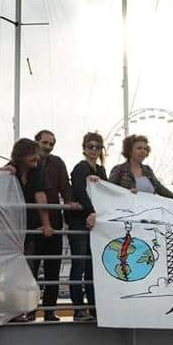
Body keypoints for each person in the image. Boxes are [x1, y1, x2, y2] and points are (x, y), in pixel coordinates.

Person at [0, 138, 52, 323]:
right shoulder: (9, 168)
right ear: (21, 155)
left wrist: (46, 224)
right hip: (9, 231)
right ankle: (11, 311)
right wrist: (2, 173)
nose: (36, 157)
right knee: (9, 272)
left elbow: (40, 195)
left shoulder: (37, 171)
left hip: (28, 230)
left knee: (28, 270)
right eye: (32, 153)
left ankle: (26, 310)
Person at [32, 130, 75, 322]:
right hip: (32, 220)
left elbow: (65, 186)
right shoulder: (27, 161)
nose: (48, 147)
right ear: (37, 142)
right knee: (31, 268)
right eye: (45, 142)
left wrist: (68, 205)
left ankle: (49, 310)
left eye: (51, 144)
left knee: (53, 268)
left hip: (55, 220)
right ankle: (29, 309)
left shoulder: (58, 163)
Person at [67, 132, 108, 322]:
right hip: (79, 222)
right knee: (79, 265)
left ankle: (94, 307)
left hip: (96, 225)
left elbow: (107, 192)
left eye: (97, 147)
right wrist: (90, 211)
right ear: (84, 148)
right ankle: (78, 309)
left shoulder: (101, 170)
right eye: (90, 146)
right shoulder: (80, 168)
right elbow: (78, 190)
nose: (93, 150)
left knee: (93, 267)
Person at [109, 135, 173, 200]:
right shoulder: (119, 170)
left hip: (149, 213)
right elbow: (109, 192)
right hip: (127, 212)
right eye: (139, 148)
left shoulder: (148, 170)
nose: (143, 151)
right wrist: (127, 193)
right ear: (130, 151)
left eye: (145, 149)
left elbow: (160, 189)